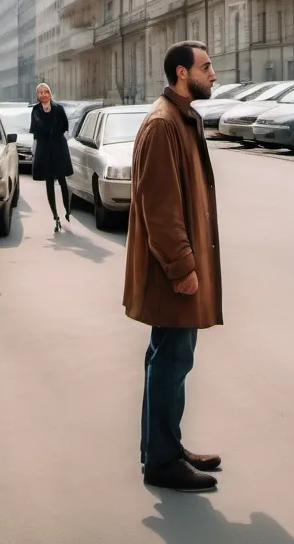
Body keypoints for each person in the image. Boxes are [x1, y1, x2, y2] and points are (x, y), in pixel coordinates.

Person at [124, 41, 223, 492]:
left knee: (167, 357)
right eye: (206, 67)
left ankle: (164, 446)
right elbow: (160, 209)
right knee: (172, 360)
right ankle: (162, 461)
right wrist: (183, 267)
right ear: (182, 73)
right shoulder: (164, 125)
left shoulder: (181, 118)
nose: (214, 74)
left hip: (175, 267)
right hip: (171, 271)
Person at [30, 83, 73, 233]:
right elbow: (35, 131)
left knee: (62, 180)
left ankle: (67, 210)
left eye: (46, 92)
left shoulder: (58, 108)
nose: (43, 94)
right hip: (44, 148)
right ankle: (55, 216)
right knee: (49, 181)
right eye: (40, 92)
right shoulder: (35, 110)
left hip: (58, 148)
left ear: (50, 94)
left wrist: (65, 144)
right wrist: (34, 148)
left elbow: (66, 128)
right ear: (37, 95)